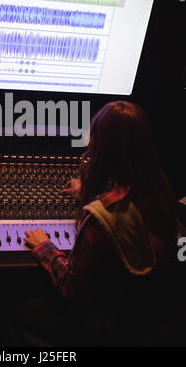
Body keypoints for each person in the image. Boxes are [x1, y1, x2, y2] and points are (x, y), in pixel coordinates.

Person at [21, 101, 178, 346]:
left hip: (105, 326)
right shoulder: (159, 185)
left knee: (24, 309)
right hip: (147, 314)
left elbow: (70, 286)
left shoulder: (101, 218)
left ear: (102, 147)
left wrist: (45, 247)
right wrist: (88, 190)